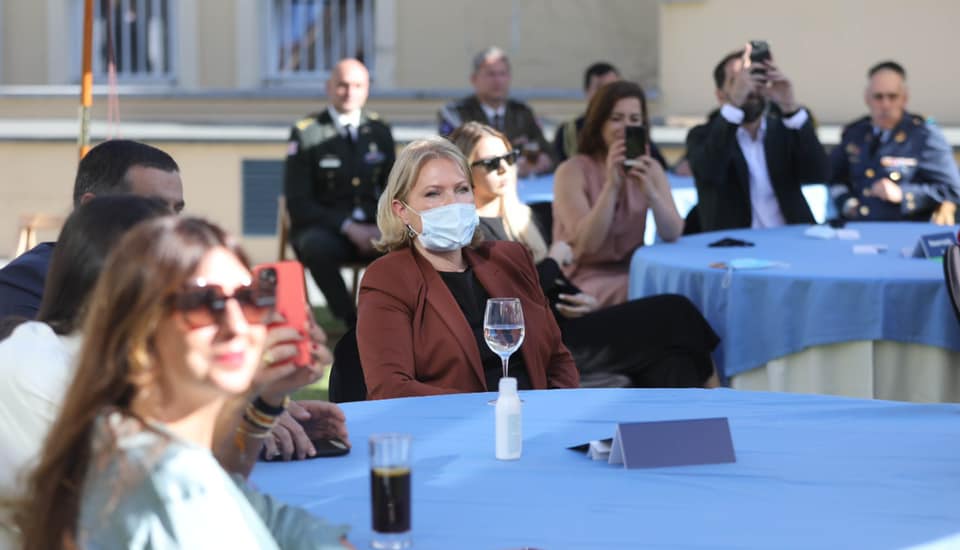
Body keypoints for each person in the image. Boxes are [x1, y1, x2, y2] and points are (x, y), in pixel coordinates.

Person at [13, 216, 352, 549]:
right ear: (140, 328)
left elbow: (249, 506)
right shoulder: (161, 490)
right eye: (203, 303)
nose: (236, 324)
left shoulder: (140, 439)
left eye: (250, 297)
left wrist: (267, 399)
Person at [452, 122, 720, 388]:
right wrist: (554, 260)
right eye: (490, 163)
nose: (504, 168)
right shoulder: (474, 234)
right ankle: (721, 395)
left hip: (571, 324)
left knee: (674, 361)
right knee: (676, 310)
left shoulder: (525, 218)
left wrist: (586, 300)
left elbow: (554, 286)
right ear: (464, 173)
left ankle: (701, 413)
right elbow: (510, 300)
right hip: (540, 342)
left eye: (509, 158)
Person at [356, 137, 579, 399]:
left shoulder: (511, 258)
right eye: (433, 193)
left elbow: (557, 359)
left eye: (462, 189)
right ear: (402, 211)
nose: (453, 203)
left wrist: (557, 410)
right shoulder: (389, 278)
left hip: (537, 415)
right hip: (455, 421)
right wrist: (484, 412)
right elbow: (389, 387)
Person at [0, 139, 184, 320]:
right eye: (153, 207)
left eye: (176, 209)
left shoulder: (172, 279)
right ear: (92, 208)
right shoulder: (26, 283)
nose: (172, 224)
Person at [284, 58, 395, 328]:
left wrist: (382, 227)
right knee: (315, 248)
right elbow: (298, 201)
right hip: (327, 230)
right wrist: (348, 226)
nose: (349, 92)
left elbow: (394, 189)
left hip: (374, 229)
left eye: (357, 85)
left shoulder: (379, 131)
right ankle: (352, 322)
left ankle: (388, 320)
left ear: (367, 89)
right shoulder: (307, 133)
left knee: (406, 247)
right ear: (329, 87)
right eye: (342, 85)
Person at [553, 81, 683, 308]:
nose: (626, 127)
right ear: (599, 123)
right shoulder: (572, 171)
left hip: (632, 270)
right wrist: (611, 187)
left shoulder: (650, 168)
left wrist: (652, 194)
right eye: (616, 118)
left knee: (676, 288)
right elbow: (586, 245)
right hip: (583, 277)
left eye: (634, 119)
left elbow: (672, 232)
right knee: (658, 295)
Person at [686, 45, 828, 232]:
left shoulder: (784, 130)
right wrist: (735, 104)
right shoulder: (703, 135)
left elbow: (819, 174)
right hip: (736, 242)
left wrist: (790, 108)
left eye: (754, 77)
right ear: (720, 95)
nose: (749, 88)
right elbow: (710, 173)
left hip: (791, 238)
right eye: (738, 81)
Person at [830, 61, 960, 222]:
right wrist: (847, 203)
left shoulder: (924, 136)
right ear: (867, 98)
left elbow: (953, 189)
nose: (885, 104)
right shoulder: (855, 134)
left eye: (892, 96)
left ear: (904, 98)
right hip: (858, 227)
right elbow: (833, 178)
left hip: (904, 228)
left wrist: (904, 194)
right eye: (878, 97)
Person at [438, 46, 553, 177]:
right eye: (491, 74)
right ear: (474, 79)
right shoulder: (456, 114)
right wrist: (511, 166)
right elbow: (452, 157)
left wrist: (545, 161)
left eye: (502, 74)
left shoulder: (522, 113)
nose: (498, 81)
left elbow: (548, 151)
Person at [552, 62, 670, 169]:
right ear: (587, 91)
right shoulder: (569, 131)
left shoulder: (634, 131)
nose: (608, 95)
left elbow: (660, 164)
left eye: (614, 87)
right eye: (616, 118)